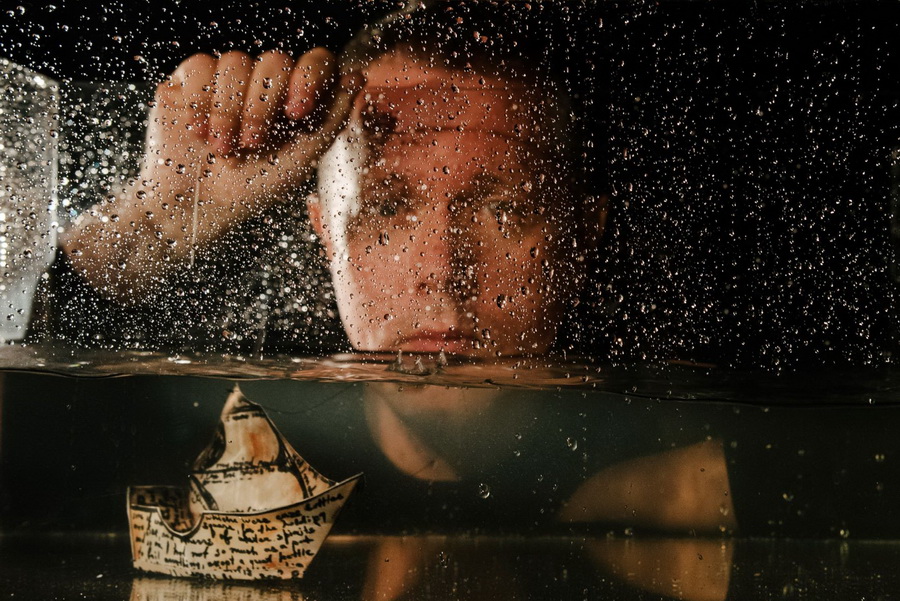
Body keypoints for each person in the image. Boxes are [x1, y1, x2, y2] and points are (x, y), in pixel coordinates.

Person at [56, 3, 737, 535]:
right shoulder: (219, 453)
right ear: (326, 233)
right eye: (386, 210)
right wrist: (146, 232)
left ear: (581, 237)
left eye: (503, 211)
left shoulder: (712, 472)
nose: (441, 272)